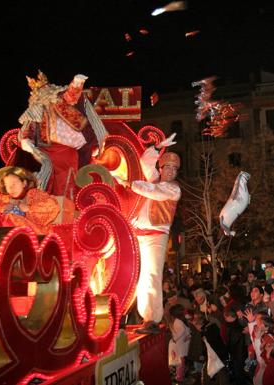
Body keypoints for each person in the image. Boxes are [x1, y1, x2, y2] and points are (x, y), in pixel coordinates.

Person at [15, 71, 107, 197]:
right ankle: (52, 197)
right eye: (40, 90)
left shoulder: (59, 99)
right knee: (54, 170)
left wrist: (76, 83)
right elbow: (28, 128)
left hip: (71, 145)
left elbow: (71, 96)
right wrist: (25, 140)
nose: (44, 91)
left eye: (46, 88)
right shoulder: (36, 110)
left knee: (71, 168)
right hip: (48, 147)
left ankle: (65, 197)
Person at [124, 133, 181, 333]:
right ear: (161, 168)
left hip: (156, 237)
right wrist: (158, 147)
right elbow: (145, 161)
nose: (172, 171)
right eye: (169, 167)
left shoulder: (173, 189)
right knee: (135, 275)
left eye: (175, 169)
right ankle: (138, 315)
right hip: (137, 234)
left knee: (151, 276)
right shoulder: (155, 179)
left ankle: (151, 319)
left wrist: (130, 184)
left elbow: (152, 191)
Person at [0, 167, 62, 234]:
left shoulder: (33, 194)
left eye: (14, 183)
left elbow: (52, 207)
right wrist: (7, 206)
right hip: (14, 236)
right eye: (7, 185)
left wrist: (28, 209)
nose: (11, 188)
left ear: (24, 183)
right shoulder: (6, 199)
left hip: (38, 236)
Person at [168, 304, 191, 384]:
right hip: (183, 344)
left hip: (180, 345)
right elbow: (187, 331)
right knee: (181, 361)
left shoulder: (177, 321)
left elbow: (180, 332)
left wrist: (174, 338)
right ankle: (180, 376)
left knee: (180, 362)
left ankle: (179, 377)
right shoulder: (183, 320)